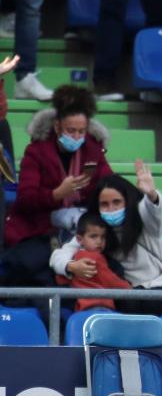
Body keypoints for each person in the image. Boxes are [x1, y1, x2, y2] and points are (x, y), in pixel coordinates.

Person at [3, 85, 113, 289]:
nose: (77, 137)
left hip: (79, 232)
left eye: (82, 131)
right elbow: (25, 200)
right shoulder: (36, 152)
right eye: (71, 131)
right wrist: (56, 194)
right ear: (57, 127)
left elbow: (109, 183)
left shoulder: (93, 149)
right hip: (39, 233)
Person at [74, 168, 162, 315]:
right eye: (105, 204)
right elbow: (64, 252)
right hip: (125, 299)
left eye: (117, 202)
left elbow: (157, 215)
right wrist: (70, 266)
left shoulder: (144, 218)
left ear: (127, 200)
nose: (111, 209)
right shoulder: (96, 229)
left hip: (157, 294)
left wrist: (152, 194)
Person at [54, 213, 130, 312]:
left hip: (81, 309)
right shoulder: (94, 257)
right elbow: (110, 280)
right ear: (79, 240)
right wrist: (128, 287)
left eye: (102, 237)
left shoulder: (75, 257)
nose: (99, 241)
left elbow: (61, 279)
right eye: (93, 236)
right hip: (100, 305)